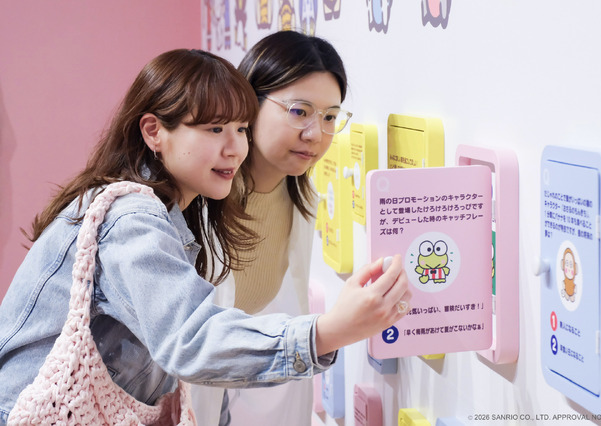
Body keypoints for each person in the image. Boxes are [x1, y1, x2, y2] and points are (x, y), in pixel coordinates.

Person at [0, 48, 411, 425]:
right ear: (153, 131)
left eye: (241, 129)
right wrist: (329, 331)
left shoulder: (192, 210)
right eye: (215, 129)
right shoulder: (131, 219)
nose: (235, 148)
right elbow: (191, 340)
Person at [190, 30, 371, 425]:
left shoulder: (301, 199)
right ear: (251, 103)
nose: (315, 134)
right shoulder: (198, 198)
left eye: (329, 117)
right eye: (299, 111)